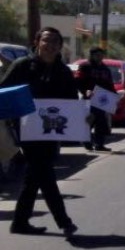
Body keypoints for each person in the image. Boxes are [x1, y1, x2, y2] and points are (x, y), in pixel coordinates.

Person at [0, 27, 80, 236]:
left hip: (53, 131)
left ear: (60, 46)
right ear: (37, 42)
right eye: (46, 40)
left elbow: (72, 102)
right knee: (44, 173)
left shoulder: (63, 72)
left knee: (34, 177)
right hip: (27, 130)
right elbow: (4, 93)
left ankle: (19, 222)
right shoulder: (22, 66)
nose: (51, 45)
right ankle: (64, 222)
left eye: (55, 41)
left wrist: (83, 118)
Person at [76, 47, 116, 151]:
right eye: (97, 55)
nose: (100, 57)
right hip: (88, 99)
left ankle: (99, 144)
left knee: (101, 122)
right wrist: (85, 91)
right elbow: (78, 81)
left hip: (101, 99)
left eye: (101, 55)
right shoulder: (85, 67)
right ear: (92, 55)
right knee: (89, 121)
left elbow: (110, 84)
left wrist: (114, 97)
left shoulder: (105, 69)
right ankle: (86, 142)